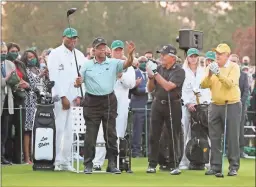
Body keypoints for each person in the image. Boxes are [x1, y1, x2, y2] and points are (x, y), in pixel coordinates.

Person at [75, 37, 135, 174]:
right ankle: (88, 164)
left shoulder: (113, 63)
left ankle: (112, 164)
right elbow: (79, 81)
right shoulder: (87, 65)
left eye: (104, 47)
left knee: (111, 134)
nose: (103, 50)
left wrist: (130, 54)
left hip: (108, 100)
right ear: (93, 50)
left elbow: (127, 64)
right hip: (91, 102)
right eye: (99, 47)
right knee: (91, 134)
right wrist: (77, 82)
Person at [92, 40, 136, 170]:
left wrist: (121, 75)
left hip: (121, 106)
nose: (118, 52)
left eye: (120, 50)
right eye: (115, 50)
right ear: (110, 51)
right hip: (105, 104)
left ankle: (114, 163)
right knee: (101, 133)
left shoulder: (129, 67)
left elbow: (131, 84)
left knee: (117, 135)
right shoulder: (105, 64)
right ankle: (97, 163)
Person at [47, 27, 86, 171]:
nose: (72, 40)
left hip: (74, 97)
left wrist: (79, 94)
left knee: (71, 130)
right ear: (63, 37)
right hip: (60, 98)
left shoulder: (79, 55)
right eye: (70, 37)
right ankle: (56, 160)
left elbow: (81, 76)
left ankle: (66, 160)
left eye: (75, 37)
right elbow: (54, 77)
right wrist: (62, 96)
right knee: (59, 128)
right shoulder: (55, 54)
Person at [201, 43, 241, 176]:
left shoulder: (234, 67)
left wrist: (218, 74)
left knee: (231, 137)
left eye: (220, 54)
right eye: (216, 53)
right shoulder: (211, 67)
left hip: (231, 104)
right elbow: (203, 85)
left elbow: (230, 84)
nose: (217, 56)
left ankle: (233, 167)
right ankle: (215, 166)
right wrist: (209, 74)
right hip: (215, 105)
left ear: (227, 55)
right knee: (214, 137)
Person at [146, 44, 185, 174]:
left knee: (173, 134)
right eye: (161, 54)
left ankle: (174, 165)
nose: (161, 57)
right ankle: (152, 164)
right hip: (157, 103)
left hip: (173, 104)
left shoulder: (179, 71)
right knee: (153, 134)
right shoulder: (159, 69)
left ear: (172, 57)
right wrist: (151, 77)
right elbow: (150, 88)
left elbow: (168, 86)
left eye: (164, 55)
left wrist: (155, 74)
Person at [179, 48, 211, 170]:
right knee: (185, 133)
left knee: (203, 134)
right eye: (191, 56)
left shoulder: (203, 71)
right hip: (186, 106)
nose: (193, 58)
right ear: (187, 57)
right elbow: (182, 90)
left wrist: (203, 104)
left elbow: (206, 89)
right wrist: (188, 103)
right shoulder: (182, 71)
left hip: (201, 107)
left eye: (195, 56)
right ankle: (182, 161)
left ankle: (205, 159)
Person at [20, 49, 48, 164]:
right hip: (29, 102)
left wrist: (45, 75)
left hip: (40, 103)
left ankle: (37, 155)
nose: (32, 59)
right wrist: (40, 76)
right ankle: (27, 158)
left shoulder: (38, 69)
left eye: (33, 57)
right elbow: (29, 85)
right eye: (29, 57)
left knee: (38, 130)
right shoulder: (25, 71)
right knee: (28, 130)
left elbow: (43, 86)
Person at [6, 42, 29, 164]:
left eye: (16, 51)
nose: (14, 53)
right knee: (8, 129)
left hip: (21, 99)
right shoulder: (5, 64)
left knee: (20, 129)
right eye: (12, 51)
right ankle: (7, 156)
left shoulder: (20, 64)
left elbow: (27, 80)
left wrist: (26, 85)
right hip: (9, 99)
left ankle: (18, 158)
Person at [229, 54, 250, 158]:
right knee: (228, 129)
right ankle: (228, 151)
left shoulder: (244, 75)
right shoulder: (226, 74)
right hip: (228, 105)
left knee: (240, 129)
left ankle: (241, 151)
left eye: (235, 61)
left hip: (240, 106)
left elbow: (246, 90)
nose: (233, 63)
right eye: (231, 61)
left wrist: (240, 102)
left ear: (238, 63)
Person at [130, 56, 149, 157]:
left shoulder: (150, 73)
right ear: (137, 64)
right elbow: (134, 89)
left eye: (146, 61)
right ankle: (136, 152)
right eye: (142, 62)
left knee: (150, 131)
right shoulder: (134, 73)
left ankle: (149, 151)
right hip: (138, 106)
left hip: (150, 105)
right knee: (137, 130)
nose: (144, 63)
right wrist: (147, 89)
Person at [1, 42, 16, 165]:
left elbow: (14, 81)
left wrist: (15, 80)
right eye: (1, 52)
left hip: (7, 101)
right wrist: (6, 79)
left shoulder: (10, 64)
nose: (4, 54)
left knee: (5, 131)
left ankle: (2, 156)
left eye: (5, 52)